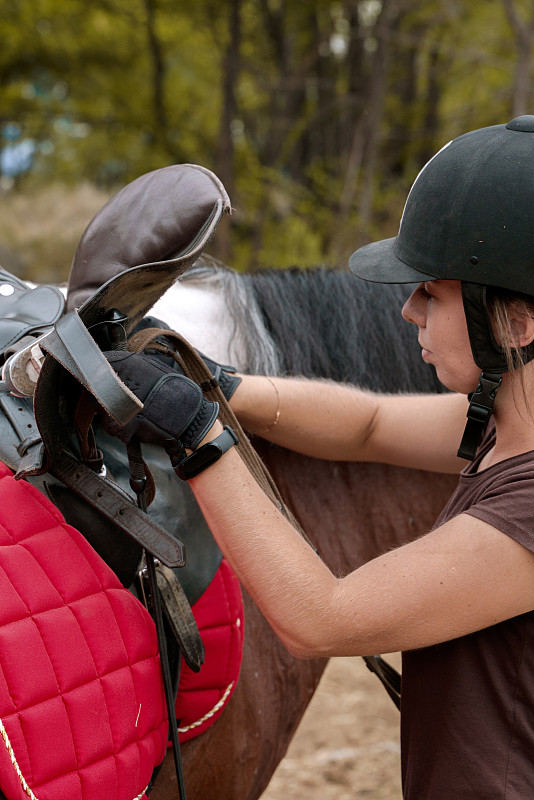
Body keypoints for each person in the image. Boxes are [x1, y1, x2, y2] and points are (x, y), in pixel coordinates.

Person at [105, 116, 534, 798]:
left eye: (433, 292)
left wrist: (200, 436)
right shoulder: (504, 424)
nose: (408, 314)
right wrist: (220, 384)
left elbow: (321, 617)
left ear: (516, 321)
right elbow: (367, 424)